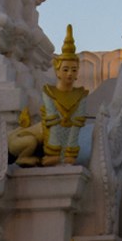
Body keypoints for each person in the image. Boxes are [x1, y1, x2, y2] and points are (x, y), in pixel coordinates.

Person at [41, 25, 89, 166]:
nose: (70, 73)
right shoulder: (48, 92)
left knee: (75, 125)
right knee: (53, 121)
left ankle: (67, 155)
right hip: (53, 139)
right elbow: (52, 119)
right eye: (66, 69)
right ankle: (54, 154)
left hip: (70, 143)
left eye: (74, 70)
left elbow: (77, 123)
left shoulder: (81, 94)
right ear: (57, 71)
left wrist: (69, 153)